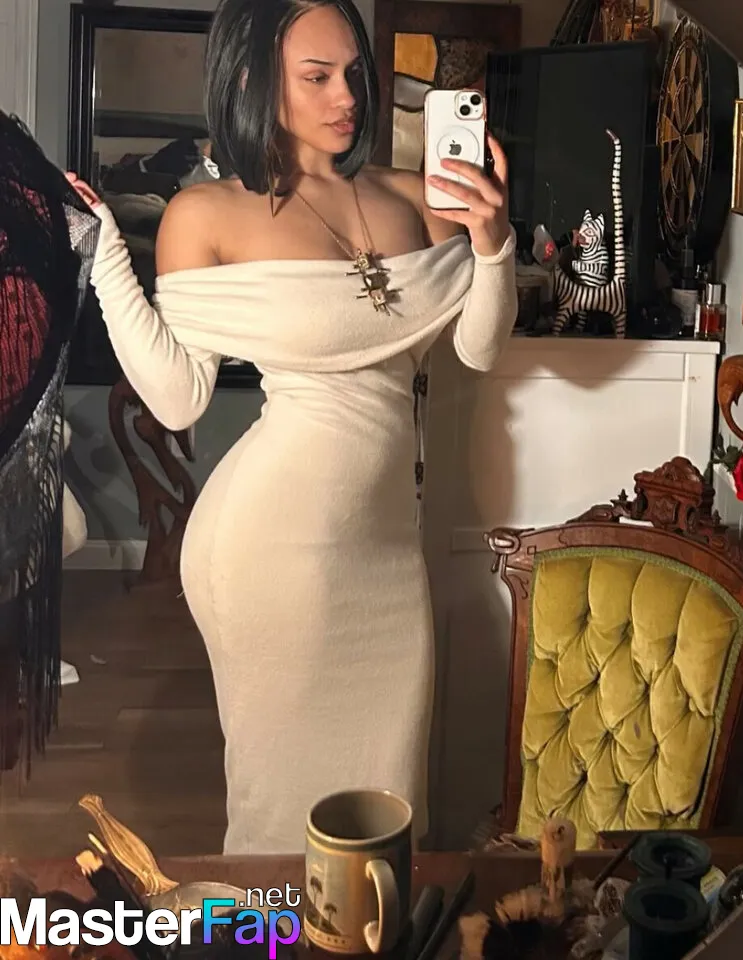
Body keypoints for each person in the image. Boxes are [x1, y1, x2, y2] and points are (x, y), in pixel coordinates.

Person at [66, 0, 517, 854]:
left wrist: (494, 243)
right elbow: (178, 400)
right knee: (280, 814)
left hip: (387, 550)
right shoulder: (206, 215)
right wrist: (108, 262)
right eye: (316, 76)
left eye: (353, 73)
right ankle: (269, 926)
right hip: (270, 551)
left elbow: (479, 348)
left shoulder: (411, 197)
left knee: (392, 799)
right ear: (253, 80)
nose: (346, 96)